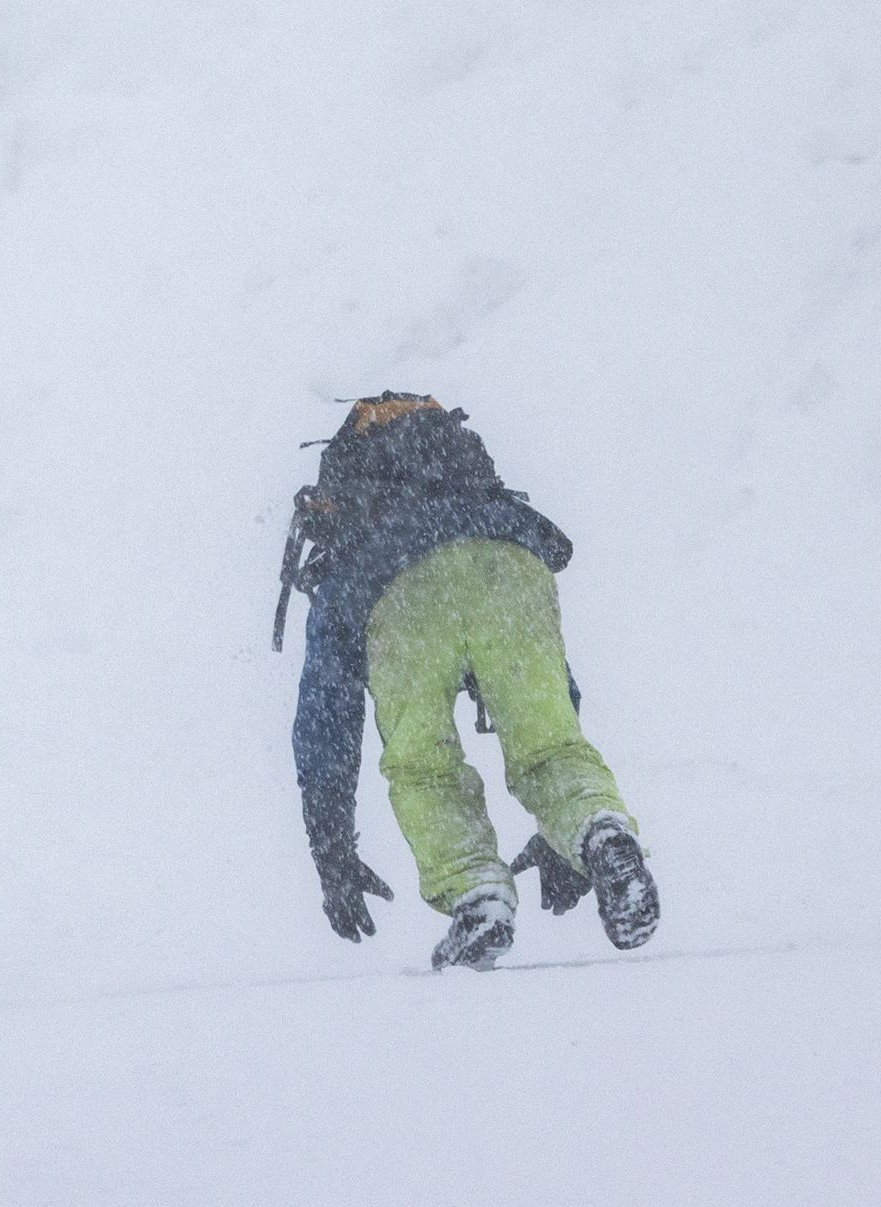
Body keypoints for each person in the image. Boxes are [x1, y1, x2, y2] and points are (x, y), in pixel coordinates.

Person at [275, 392, 656, 970]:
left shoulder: (354, 561)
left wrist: (331, 846)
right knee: (550, 745)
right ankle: (600, 834)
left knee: (422, 764)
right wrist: (564, 836)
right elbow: (558, 701)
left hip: (402, 593)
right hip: (512, 568)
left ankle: (478, 896)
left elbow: (325, 714)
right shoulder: (487, 508)